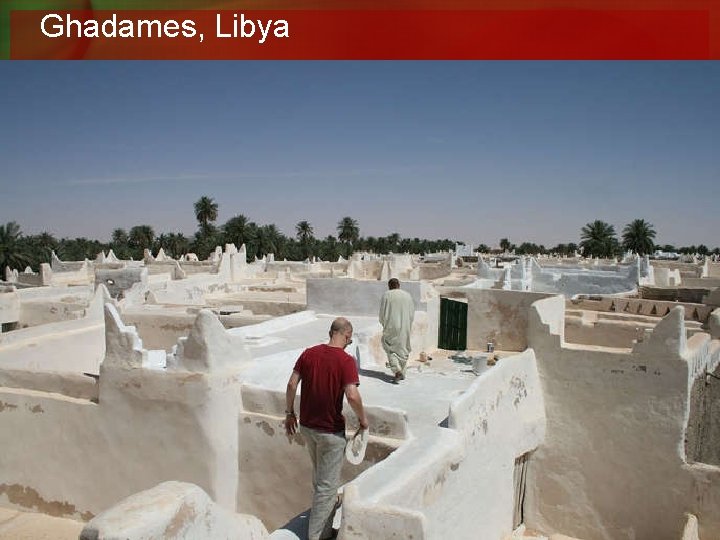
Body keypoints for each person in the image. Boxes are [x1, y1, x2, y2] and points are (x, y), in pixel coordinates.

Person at [285, 317, 369, 540]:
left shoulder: (308, 353)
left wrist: (289, 413)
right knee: (325, 486)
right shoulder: (346, 360)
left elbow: (292, 383)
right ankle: (317, 537)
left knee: (321, 479)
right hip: (330, 432)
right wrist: (363, 421)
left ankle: (329, 508)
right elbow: (352, 395)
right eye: (349, 340)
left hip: (307, 427)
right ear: (347, 336)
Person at [379, 278, 415, 383]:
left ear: (389, 286)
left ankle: (397, 371)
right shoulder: (407, 295)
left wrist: (383, 323)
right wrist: (408, 324)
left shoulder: (387, 295)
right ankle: (402, 372)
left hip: (391, 326)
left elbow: (382, 313)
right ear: (399, 285)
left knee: (390, 348)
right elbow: (412, 313)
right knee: (403, 349)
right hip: (405, 326)